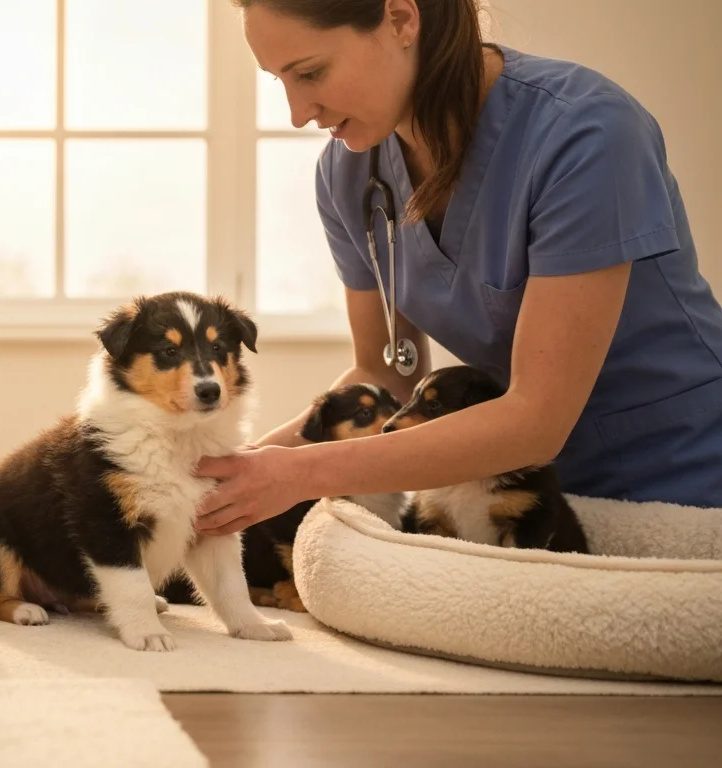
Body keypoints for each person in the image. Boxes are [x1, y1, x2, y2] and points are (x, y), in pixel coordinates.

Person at [196, 0, 722, 534]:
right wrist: (228, 475)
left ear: (401, 19)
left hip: (686, 486)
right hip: (523, 500)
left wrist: (297, 475)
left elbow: (535, 422)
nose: (298, 111)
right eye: (279, 81)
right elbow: (386, 376)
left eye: (310, 73)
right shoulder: (350, 172)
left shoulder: (587, 133)